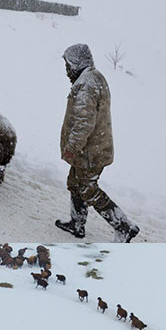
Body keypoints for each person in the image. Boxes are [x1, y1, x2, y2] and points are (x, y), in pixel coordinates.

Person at [54, 43, 139, 241]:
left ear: (77, 63)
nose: (67, 72)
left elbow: (84, 123)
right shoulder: (92, 77)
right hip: (90, 149)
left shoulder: (86, 85)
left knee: (88, 189)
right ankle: (77, 224)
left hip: (89, 152)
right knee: (75, 184)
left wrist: (71, 147)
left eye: (68, 66)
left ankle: (124, 226)